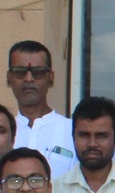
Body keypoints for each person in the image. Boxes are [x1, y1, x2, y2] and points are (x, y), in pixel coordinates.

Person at [6, 39, 76, 170]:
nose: (29, 79)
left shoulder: (73, 131)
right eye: (20, 72)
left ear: (51, 77)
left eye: (38, 72)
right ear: (9, 78)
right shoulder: (2, 133)